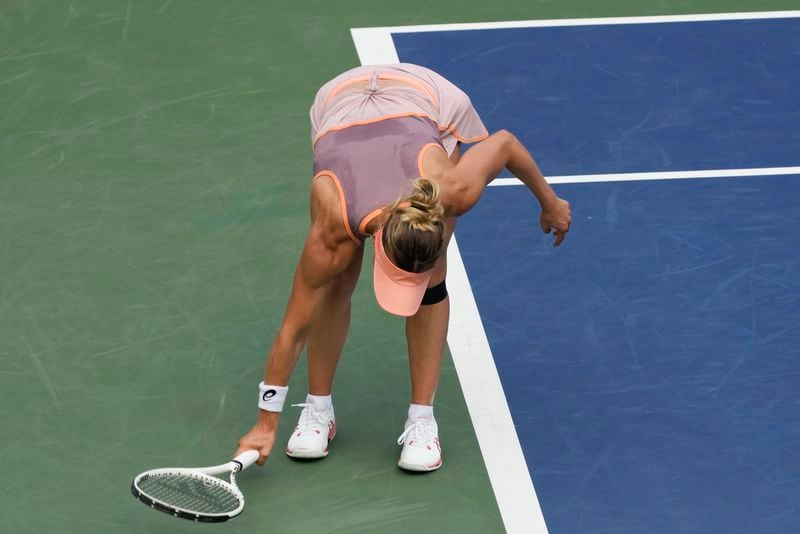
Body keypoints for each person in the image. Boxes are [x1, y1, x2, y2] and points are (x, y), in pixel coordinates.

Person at [235, 63, 571, 472]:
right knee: (336, 279)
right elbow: (293, 329)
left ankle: (422, 419)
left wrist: (549, 201)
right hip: (338, 102)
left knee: (433, 281)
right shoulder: (332, 224)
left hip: (430, 100)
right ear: (377, 242)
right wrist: (265, 423)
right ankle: (318, 409)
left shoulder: (452, 191)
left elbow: (504, 143)